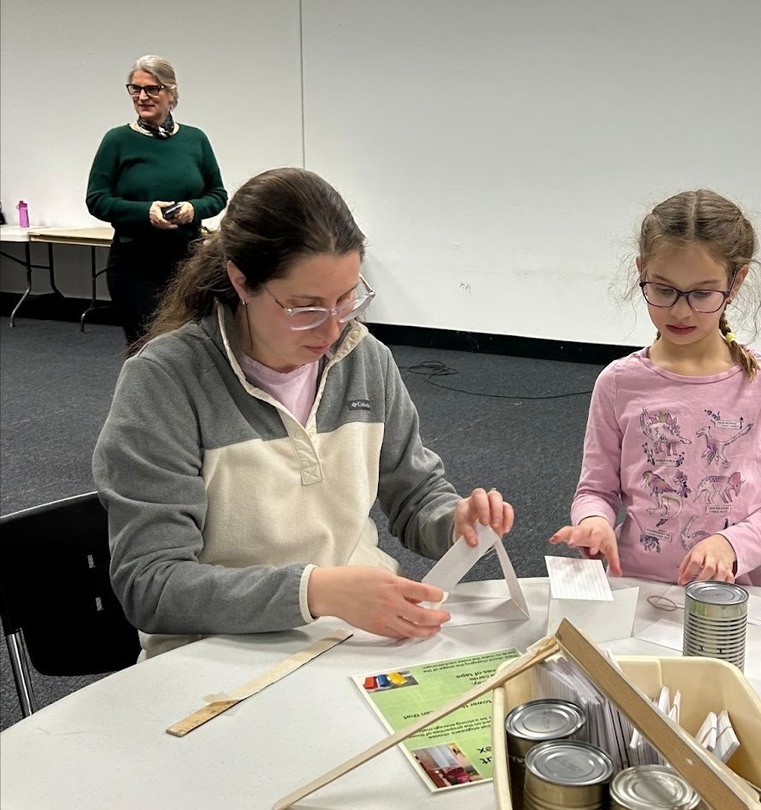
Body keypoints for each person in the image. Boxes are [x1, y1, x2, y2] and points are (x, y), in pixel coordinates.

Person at [92, 167, 513, 659]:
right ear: (241, 282)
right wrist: (315, 593)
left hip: (352, 635)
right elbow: (153, 585)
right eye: (306, 307)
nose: (333, 329)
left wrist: (454, 519)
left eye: (348, 299)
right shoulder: (166, 381)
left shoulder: (364, 358)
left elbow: (415, 493)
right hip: (217, 651)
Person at [550, 189, 761, 586]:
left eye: (702, 293)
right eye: (663, 289)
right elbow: (596, 490)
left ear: (736, 283)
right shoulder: (619, 382)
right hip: (635, 586)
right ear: (642, 273)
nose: (680, 310)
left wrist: (732, 545)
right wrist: (594, 522)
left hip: (725, 598)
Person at [86, 55, 227, 345]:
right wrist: (145, 212)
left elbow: (217, 195)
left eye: (152, 89)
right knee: (146, 346)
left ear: (171, 92)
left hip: (187, 261)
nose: (142, 96)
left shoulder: (195, 139)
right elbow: (97, 200)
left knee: (190, 345)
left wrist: (193, 208)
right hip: (134, 263)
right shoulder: (117, 140)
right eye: (135, 89)